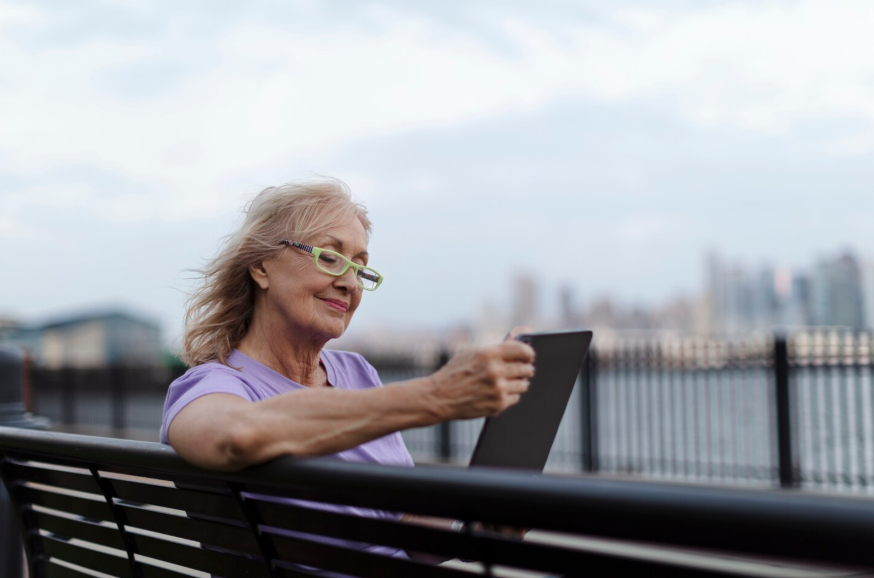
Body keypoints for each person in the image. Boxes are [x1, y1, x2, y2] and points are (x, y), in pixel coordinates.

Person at [160, 178, 535, 568]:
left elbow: (403, 523)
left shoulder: (357, 371)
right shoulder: (212, 385)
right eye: (330, 257)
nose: (351, 282)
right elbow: (233, 436)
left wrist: (470, 529)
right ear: (260, 265)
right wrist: (437, 396)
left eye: (360, 267)